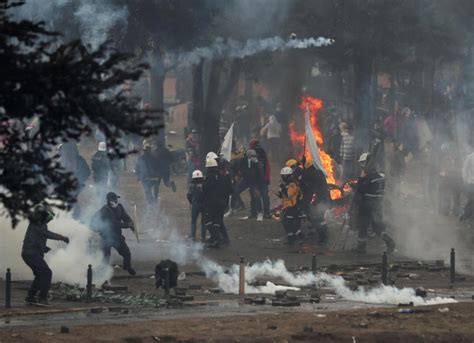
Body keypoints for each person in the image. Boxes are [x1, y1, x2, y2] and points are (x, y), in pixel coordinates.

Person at [22, 204, 69, 306]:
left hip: (29, 253)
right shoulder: (38, 222)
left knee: (40, 275)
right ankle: (42, 299)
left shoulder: (37, 223)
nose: (50, 219)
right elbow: (46, 233)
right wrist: (62, 237)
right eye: (49, 216)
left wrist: (44, 248)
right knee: (46, 273)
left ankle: (30, 298)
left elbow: (35, 238)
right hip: (31, 254)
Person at [353, 153, 396, 254]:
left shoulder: (368, 178)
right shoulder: (380, 177)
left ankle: (361, 248)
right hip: (377, 205)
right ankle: (389, 242)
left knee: (362, 226)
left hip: (366, 205)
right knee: (377, 227)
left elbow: (361, 189)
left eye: (362, 164)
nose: (361, 167)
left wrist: (361, 179)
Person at [90, 192, 136, 275]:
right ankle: (102, 273)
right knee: (106, 256)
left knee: (126, 253)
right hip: (106, 236)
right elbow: (114, 223)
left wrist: (131, 224)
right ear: (109, 201)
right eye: (114, 199)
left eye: (116, 199)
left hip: (117, 236)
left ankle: (127, 266)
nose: (116, 201)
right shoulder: (105, 210)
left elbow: (125, 217)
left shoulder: (120, 207)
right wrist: (127, 225)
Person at [202, 157, 232, 248]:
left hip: (212, 203)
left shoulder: (209, 176)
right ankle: (218, 239)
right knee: (217, 221)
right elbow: (228, 188)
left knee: (207, 221)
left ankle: (216, 238)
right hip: (222, 202)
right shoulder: (221, 175)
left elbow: (205, 188)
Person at [300, 160, 330, 243]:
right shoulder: (319, 172)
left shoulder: (310, 174)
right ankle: (323, 233)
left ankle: (323, 236)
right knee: (320, 218)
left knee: (316, 217)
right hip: (324, 198)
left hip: (319, 200)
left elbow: (309, 188)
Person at [233, 149, 265, 220]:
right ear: (248, 156)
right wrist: (239, 175)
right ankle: (234, 208)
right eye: (252, 156)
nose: (254, 157)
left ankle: (259, 213)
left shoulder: (257, 162)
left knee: (256, 196)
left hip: (255, 181)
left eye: (254, 156)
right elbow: (241, 169)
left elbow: (261, 173)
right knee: (235, 191)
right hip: (246, 180)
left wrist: (257, 163)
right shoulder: (243, 160)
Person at [278, 167, 304, 244]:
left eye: (283, 176)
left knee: (288, 223)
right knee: (287, 223)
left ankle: (296, 237)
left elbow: (289, 195)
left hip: (292, 207)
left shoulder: (292, 184)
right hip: (289, 206)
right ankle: (293, 237)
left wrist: (283, 188)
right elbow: (285, 196)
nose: (282, 177)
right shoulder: (288, 184)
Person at [249, 139, 271, 218]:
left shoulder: (258, 155)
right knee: (262, 196)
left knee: (258, 196)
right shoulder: (262, 153)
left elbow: (259, 170)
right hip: (263, 179)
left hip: (260, 179)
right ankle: (264, 213)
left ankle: (258, 213)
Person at [187, 170, 205, 241]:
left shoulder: (191, 185)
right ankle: (203, 237)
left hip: (196, 204)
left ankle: (193, 236)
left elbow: (189, 195)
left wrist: (192, 202)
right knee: (204, 222)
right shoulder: (205, 184)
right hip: (204, 204)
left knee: (193, 221)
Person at [460, 148, 474, 221]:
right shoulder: (470, 157)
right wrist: (466, 180)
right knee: (472, 200)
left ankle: (467, 215)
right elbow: (464, 169)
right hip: (471, 183)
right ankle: (465, 214)